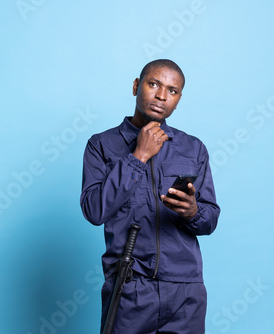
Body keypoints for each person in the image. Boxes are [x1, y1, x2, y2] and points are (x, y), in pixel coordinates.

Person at [80, 59, 220, 334]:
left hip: (185, 291)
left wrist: (193, 212)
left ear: (178, 99)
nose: (161, 96)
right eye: (153, 84)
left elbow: (210, 219)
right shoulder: (101, 145)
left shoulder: (193, 149)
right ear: (136, 86)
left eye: (172, 90)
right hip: (130, 286)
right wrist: (139, 156)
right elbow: (94, 211)